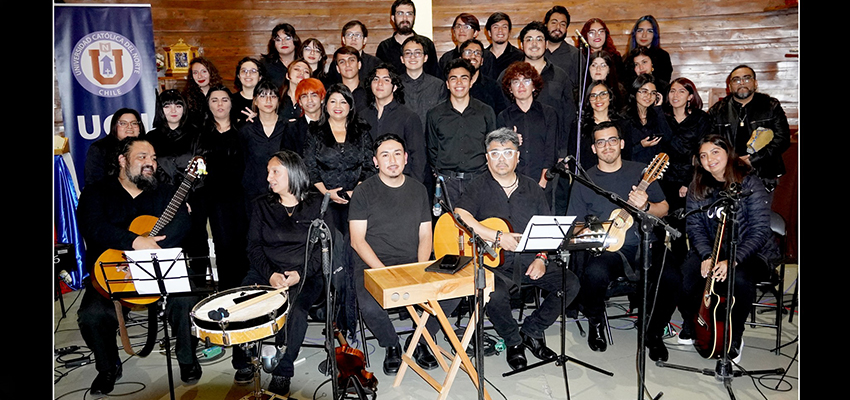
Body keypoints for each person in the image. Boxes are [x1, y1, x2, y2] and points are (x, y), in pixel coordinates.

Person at [76, 137, 200, 395]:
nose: (150, 163)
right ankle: (108, 367)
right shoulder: (96, 192)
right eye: (142, 157)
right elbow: (93, 227)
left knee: (186, 299)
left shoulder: (165, 192)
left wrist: (154, 248)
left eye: (153, 158)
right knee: (91, 315)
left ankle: (188, 359)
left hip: (157, 268)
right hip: (112, 272)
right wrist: (134, 241)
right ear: (122, 160)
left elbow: (182, 225)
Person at [454, 128, 580, 371]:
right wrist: (496, 236)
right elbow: (460, 215)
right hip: (494, 264)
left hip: (530, 260)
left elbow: (547, 228)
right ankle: (513, 342)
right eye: (495, 153)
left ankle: (532, 331)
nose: (501, 159)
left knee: (570, 283)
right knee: (493, 293)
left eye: (508, 152)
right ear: (487, 157)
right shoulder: (477, 186)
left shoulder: (533, 188)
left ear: (518, 157)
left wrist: (542, 258)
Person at [566, 121, 675, 360]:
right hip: (609, 249)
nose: (607, 146)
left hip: (646, 242)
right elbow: (574, 226)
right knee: (593, 274)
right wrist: (597, 236)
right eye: (601, 142)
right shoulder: (585, 180)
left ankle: (654, 333)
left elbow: (664, 208)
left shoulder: (642, 172)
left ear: (622, 144)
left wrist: (645, 205)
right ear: (593, 148)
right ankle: (595, 321)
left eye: (612, 140)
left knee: (672, 277)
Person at [231, 150, 335, 396]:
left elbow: (324, 249)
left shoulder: (318, 206)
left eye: (275, 171)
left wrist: (300, 273)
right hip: (265, 271)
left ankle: (283, 370)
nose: (269, 177)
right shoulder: (261, 206)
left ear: (293, 172)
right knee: (241, 301)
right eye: (268, 172)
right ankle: (244, 360)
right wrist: (270, 275)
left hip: (307, 274)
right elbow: (253, 247)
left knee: (296, 309)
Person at [349, 133, 453, 374]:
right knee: (370, 305)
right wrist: (384, 272)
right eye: (384, 155)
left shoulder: (418, 190)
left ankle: (420, 339)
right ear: (375, 161)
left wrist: (421, 267)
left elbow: (426, 234)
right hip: (373, 263)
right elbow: (357, 240)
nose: (392, 160)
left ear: (406, 158)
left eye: (397, 153)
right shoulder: (364, 192)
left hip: (411, 261)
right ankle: (392, 344)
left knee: (452, 293)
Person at [675, 134, 780, 366]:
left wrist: (733, 260)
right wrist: (706, 256)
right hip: (713, 251)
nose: (709, 159)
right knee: (683, 276)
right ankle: (693, 323)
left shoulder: (749, 182)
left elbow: (760, 231)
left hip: (752, 253)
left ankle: (734, 336)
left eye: (715, 152)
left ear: (728, 153)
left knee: (738, 279)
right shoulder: (697, 186)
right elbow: (695, 227)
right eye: (703, 155)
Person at [146, 89, 209, 282]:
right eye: (167, 105)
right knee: (166, 244)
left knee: (197, 244)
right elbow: (148, 172)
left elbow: (202, 170)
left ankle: (198, 290)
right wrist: (169, 199)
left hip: (194, 199)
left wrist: (185, 199)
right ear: (160, 110)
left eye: (178, 105)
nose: (173, 110)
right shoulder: (151, 138)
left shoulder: (197, 134)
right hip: (161, 202)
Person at [193, 84, 250, 291]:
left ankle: (247, 293)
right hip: (215, 200)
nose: (220, 104)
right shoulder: (200, 134)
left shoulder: (244, 129)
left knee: (244, 246)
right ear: (208, 104)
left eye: (224, 99)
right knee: (223, 247)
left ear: (231, 103)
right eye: (214, 100)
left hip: (243, 197)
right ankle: (227, 294)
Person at [303, 83, 376, 235]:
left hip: (357, 199)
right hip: (323, 201)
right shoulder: (314, 130)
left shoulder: (361, 129)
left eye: (343, 101)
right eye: (333, 101)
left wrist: (354, 192)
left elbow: (369, 165)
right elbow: (310, 166)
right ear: (326, 104)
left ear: (350, 106)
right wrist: (327, 193)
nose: (338, 106)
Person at [707, 64, 791, 193]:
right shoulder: (718, 110)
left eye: (746, 79)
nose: (741, 83)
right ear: (729, 86)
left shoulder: (770, 106)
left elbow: (783, 139)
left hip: (765, 172)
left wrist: (754, 159)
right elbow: (710, 142)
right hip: (729, 173)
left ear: (755, 83)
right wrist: (733, 161)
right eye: (736, 80)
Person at [426, 58, 497, 203]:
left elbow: (492, 146)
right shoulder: (434, 114)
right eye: (454, 78)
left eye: (464, 78)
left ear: (471, 82)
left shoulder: (486, 112)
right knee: (445, 225)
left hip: (478, 180)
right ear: (447, 84)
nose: (459, 83)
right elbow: (432, 148)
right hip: (446, 183)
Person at [661, 77, 712, 259]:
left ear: (690, 96)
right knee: (662, 228)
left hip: (690, 180)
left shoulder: (700, 118)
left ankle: (687, 271)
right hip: (662, 178)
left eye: (681, 91)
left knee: (684, 229)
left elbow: (701, 154)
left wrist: (687, 182)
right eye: (672, 91)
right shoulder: (662, 117)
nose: (675, 95)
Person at [496, 61, 560, 192]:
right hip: (513, 184)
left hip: (543, 182)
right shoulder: (503, 117)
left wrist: (543, 181)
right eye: (515, 82)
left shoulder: (548, 113)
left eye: (526, 81)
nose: (521, 86)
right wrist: (511, 143)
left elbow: (551, 150)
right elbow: (500, 153)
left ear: (534, 86)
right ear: (510, 88)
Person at [360, 63, 428, 183]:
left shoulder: (408, 116)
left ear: (395, 87)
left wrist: (414, 187)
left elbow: (418, 157)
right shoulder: (362, 116)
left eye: (386, 80)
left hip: (401, 183)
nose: (380, 84)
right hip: (370, 183)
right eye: (376, 79)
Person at [240, 79, 289, 217]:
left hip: (283, 192)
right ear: (255, 101)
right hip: (253, 192)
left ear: (278, 101)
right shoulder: (246, 130)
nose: (268, 100)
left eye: (273, 96)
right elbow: (243, 161)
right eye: (263, 96)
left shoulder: (288, 126)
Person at [376, 0, 439, 77]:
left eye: (409, 14)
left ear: (414, 17)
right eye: (400, 14)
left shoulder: (427, 44)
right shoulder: (384, 47)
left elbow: (435, 75)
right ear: (393, 18)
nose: (405, 18)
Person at [398, 35, 448, 133]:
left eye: (417, 53)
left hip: (430, 141)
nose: (412, 57)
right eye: (408, 53)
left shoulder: (438, 85)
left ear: (425, 58)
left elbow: (442, 119)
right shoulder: (394, 85)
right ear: (402, 59)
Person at [84, 108, 145, 186]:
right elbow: (93, 181)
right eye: (123, 123)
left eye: (134, 123)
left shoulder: (148, 147)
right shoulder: (99, 148)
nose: (129, 127)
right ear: (115, 126)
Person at [622, 73, 672, 164]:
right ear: (635, 92)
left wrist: (658, 109)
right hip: (632, 168)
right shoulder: (624, 118)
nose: (648, 96)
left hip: (654, 170)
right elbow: (622, 152)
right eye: (644, 91)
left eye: (653, 93)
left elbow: (668, 138)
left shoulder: (657, 115)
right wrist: (641, 145)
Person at [542, 6, 583, 110]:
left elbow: (581, 89)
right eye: (554, 22)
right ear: (546, 24)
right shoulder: (536, 53)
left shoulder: (575, 55)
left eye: (563, 24)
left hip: (565, 111)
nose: (558, 27)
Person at [438, 13, 496, 80]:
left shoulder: (487, 56)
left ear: (475, 33)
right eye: (458, 26)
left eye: (467, 27)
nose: (461, 30)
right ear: (453, 32)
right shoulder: (446, 58)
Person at [326, 20, 382, 87]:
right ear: (343, 39)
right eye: (349, 35)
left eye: (357, 35)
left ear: (364, 40)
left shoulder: (375, 63)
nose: (353, 38)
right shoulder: (336, 63)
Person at [461, 38, 509, 115]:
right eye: (468, 52)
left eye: (477, 53)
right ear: (460, 58)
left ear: (482, 61)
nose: (473, 56)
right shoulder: (453, 85)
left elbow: (501, 114)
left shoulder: (493, 87)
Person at [281, 78, 326, 157]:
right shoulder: (292, 129)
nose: (309, 100)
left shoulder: (333, 124)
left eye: (314, 95)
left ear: (322, 99)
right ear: (300, 102)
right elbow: (288, 160)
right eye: (304, 96)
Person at [625, 15, 673, 84]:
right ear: (635, 33)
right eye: (640, 30)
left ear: (654, 35)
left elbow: (664, 85)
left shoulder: (663, 57)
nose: (644, 35)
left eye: (649, 31)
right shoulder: (626, 58)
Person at [183, 57, 223, 128]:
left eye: (204, 71)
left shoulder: (222, 92)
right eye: (195, 72)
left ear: (211, 73)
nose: (199, 76)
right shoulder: (186, 96)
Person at [484, 12, 525, 81]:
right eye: (495, 27)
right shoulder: (482, 56)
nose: (500, 30)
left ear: (509, 32)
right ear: (489, 33)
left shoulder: (520, 56)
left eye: (504, 27)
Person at [261, 23, 301, 88]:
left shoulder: (304, 63)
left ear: (295, 40)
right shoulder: (264, 65)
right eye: (278, 40)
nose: (283, 42)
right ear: (274, 44)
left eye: (287, 38)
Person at [232, 57, 266, 128]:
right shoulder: (230, 100)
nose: (248, 75)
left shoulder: (268, 100)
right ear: (238, 76)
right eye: (244, 71)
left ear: (260, 77)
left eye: (253, 71)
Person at [332, 45, 369, 112]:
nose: (347, 64)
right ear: (338, 69)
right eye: (342, 62)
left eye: (351, 60)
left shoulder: (370, 91)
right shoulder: (332, 94)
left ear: (359, 65)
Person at [278, 59, 313, 123]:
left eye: (306, 72)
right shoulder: (276, 97)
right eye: (297, 69)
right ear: (287, 76)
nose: (302, 73)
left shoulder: (313, 100)